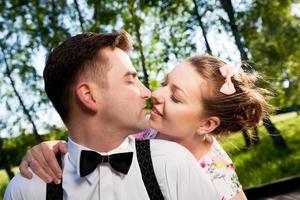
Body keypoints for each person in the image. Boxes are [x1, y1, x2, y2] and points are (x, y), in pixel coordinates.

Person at [19, 51, 269, 198]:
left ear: (206, 124)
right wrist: (56, 148)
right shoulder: (144, 130)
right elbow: (92, 137)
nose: (156, 94)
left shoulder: (217, 176)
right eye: (164, 83)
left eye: (175, 97)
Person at [4, 31, 219, 200]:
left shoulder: (173, 164)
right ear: (89, 96)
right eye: (130, 80)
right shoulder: (28, 190)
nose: (148, 92)